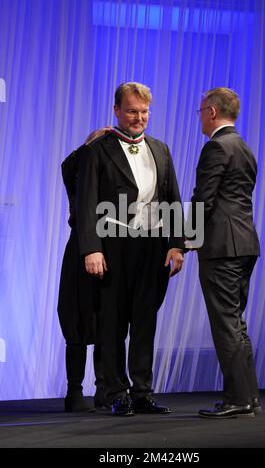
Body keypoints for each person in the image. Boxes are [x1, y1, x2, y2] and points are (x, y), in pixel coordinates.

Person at [76, 82, 185, 416]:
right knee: (111, 322)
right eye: (133, 111)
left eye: (145, 112)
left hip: (152, 245)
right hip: (113, 243)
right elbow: (86, 202)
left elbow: (173, 199)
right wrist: (91, 249)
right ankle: (114, 392)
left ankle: (141, 392)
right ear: (117, 111)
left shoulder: (161, 149)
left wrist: (178, 245)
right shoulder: (98, 150)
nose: (140, 118)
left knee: (144, 320)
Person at [191, 87, 261, 419]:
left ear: (212, 111)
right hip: (245, 244)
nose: (200, 117)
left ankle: (238, 399)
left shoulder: (216, 147)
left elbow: (203, 201)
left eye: (201, 110)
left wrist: (182, 239)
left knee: (226, 324)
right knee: (235, 322)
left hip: (222, 247)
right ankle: (249, 396)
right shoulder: (244, 147)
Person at [58, 146, 107, 412]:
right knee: (75, 315)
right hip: (80, 247)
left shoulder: (111, 175)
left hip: (111, 247)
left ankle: (104, 388)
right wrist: (91, 144)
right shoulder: (78, 174)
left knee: (108, 317)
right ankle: (74, 391)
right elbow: (68, 167)